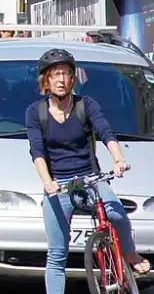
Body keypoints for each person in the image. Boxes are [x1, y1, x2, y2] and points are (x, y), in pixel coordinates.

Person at [25, 48, 149, 294]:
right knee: (57, 254)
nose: (61, 80)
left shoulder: (86, 105)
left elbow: (105, 132)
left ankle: (129, 254)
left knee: (116, 213)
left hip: (90, 178)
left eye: (66, 74)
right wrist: (48, 182)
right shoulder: (35, 112)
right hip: (58, 184)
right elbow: (37, 152)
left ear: (73, 79)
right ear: (46, 81)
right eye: (56, 75)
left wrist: (118, 159)